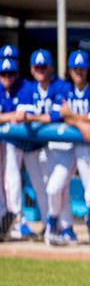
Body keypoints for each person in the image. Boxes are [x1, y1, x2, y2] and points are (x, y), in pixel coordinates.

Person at [58, 51, 90, 246]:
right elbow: (61, 115)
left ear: (88, 69)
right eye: (75, 68)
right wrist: (79, 122)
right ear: (69, 70)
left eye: (82, 68)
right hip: (81, 148)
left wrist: (71, 116)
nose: (79, 72)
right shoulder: (65, 88)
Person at [26, 50, 71, 243]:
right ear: (31, 69)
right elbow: (21, 116)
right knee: (43, 188)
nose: (41, 70)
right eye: (37, 67)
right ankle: (50, 226)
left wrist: (34, 118)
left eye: (44, 66)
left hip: (61, 146)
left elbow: (56, 115)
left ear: (52, 68)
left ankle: (66, 227)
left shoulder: (61, 86)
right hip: (36, 147)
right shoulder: (28, 88)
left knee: (59, 188)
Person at [0, 53, 42, 241]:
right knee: (8, 181)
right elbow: (13, 116)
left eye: (11, 73)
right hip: (7, 143)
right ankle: (10, 220)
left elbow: (24, 116)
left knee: (34, 182)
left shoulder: (25, 87)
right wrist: (9, 116)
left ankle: (17, 220)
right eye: (3, 73)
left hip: (29, 143)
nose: (7, 77)